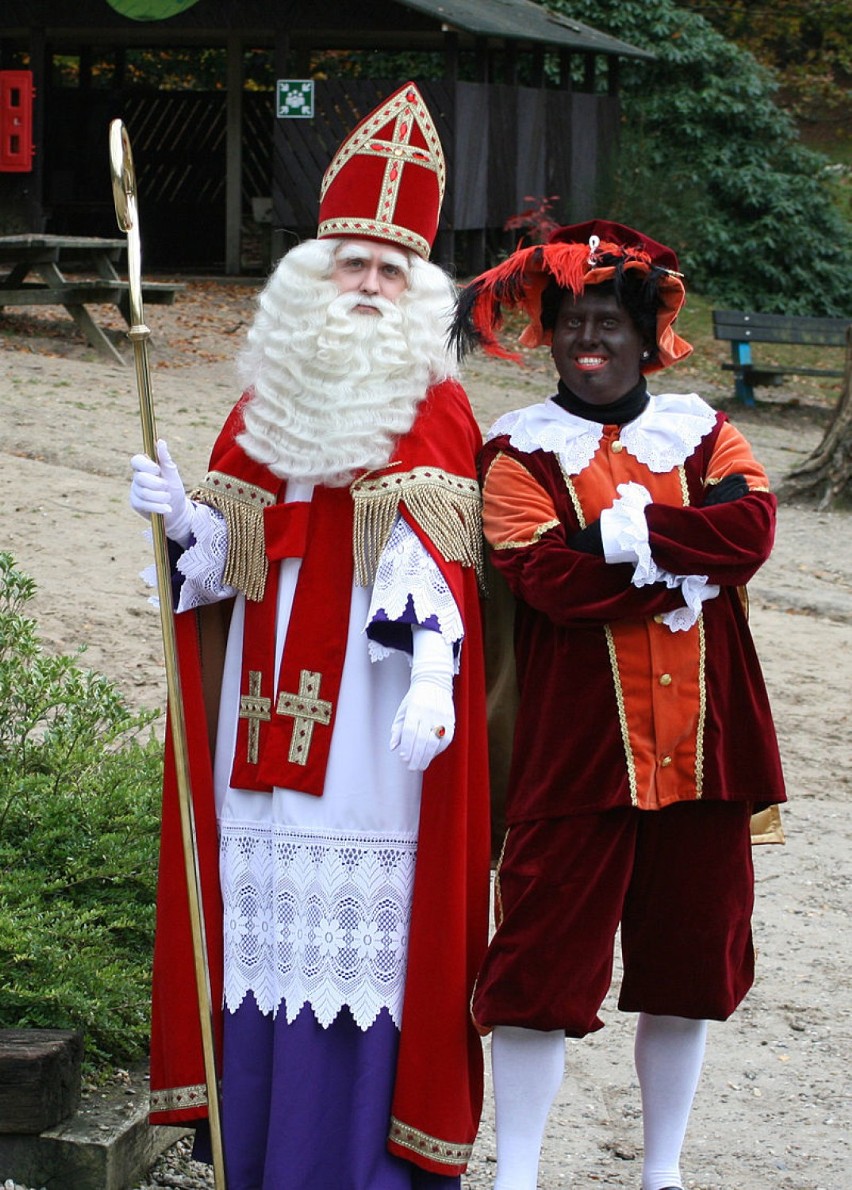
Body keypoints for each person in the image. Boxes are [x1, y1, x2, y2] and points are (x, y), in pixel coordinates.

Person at [129, 83, 490, 1189]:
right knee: (262, 931)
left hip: (371, 731)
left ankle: (349, 1164)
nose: (370, 286)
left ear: (419, 288)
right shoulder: (267, 395)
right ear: (316, 271)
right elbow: (233, 562)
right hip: (261, 717)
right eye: (352, 263)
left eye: (392, 270)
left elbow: (436, 560)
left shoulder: (432, 398)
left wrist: (434, 672)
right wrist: (185, 516)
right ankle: (257, 1155)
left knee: (356, 951)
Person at [450, 220, 786, 1190]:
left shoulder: (703, 428)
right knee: (537, 967)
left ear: (647, 337)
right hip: (576, 748)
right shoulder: (515, 449)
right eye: (571, 322)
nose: (588, 339)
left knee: (688, 963)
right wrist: (674, 558)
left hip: (705, 743)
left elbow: (752, 527)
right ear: (549, 335)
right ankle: (517, 1171)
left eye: (607, 321)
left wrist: (634, 535)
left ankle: (663, 1168)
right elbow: (544, 573)